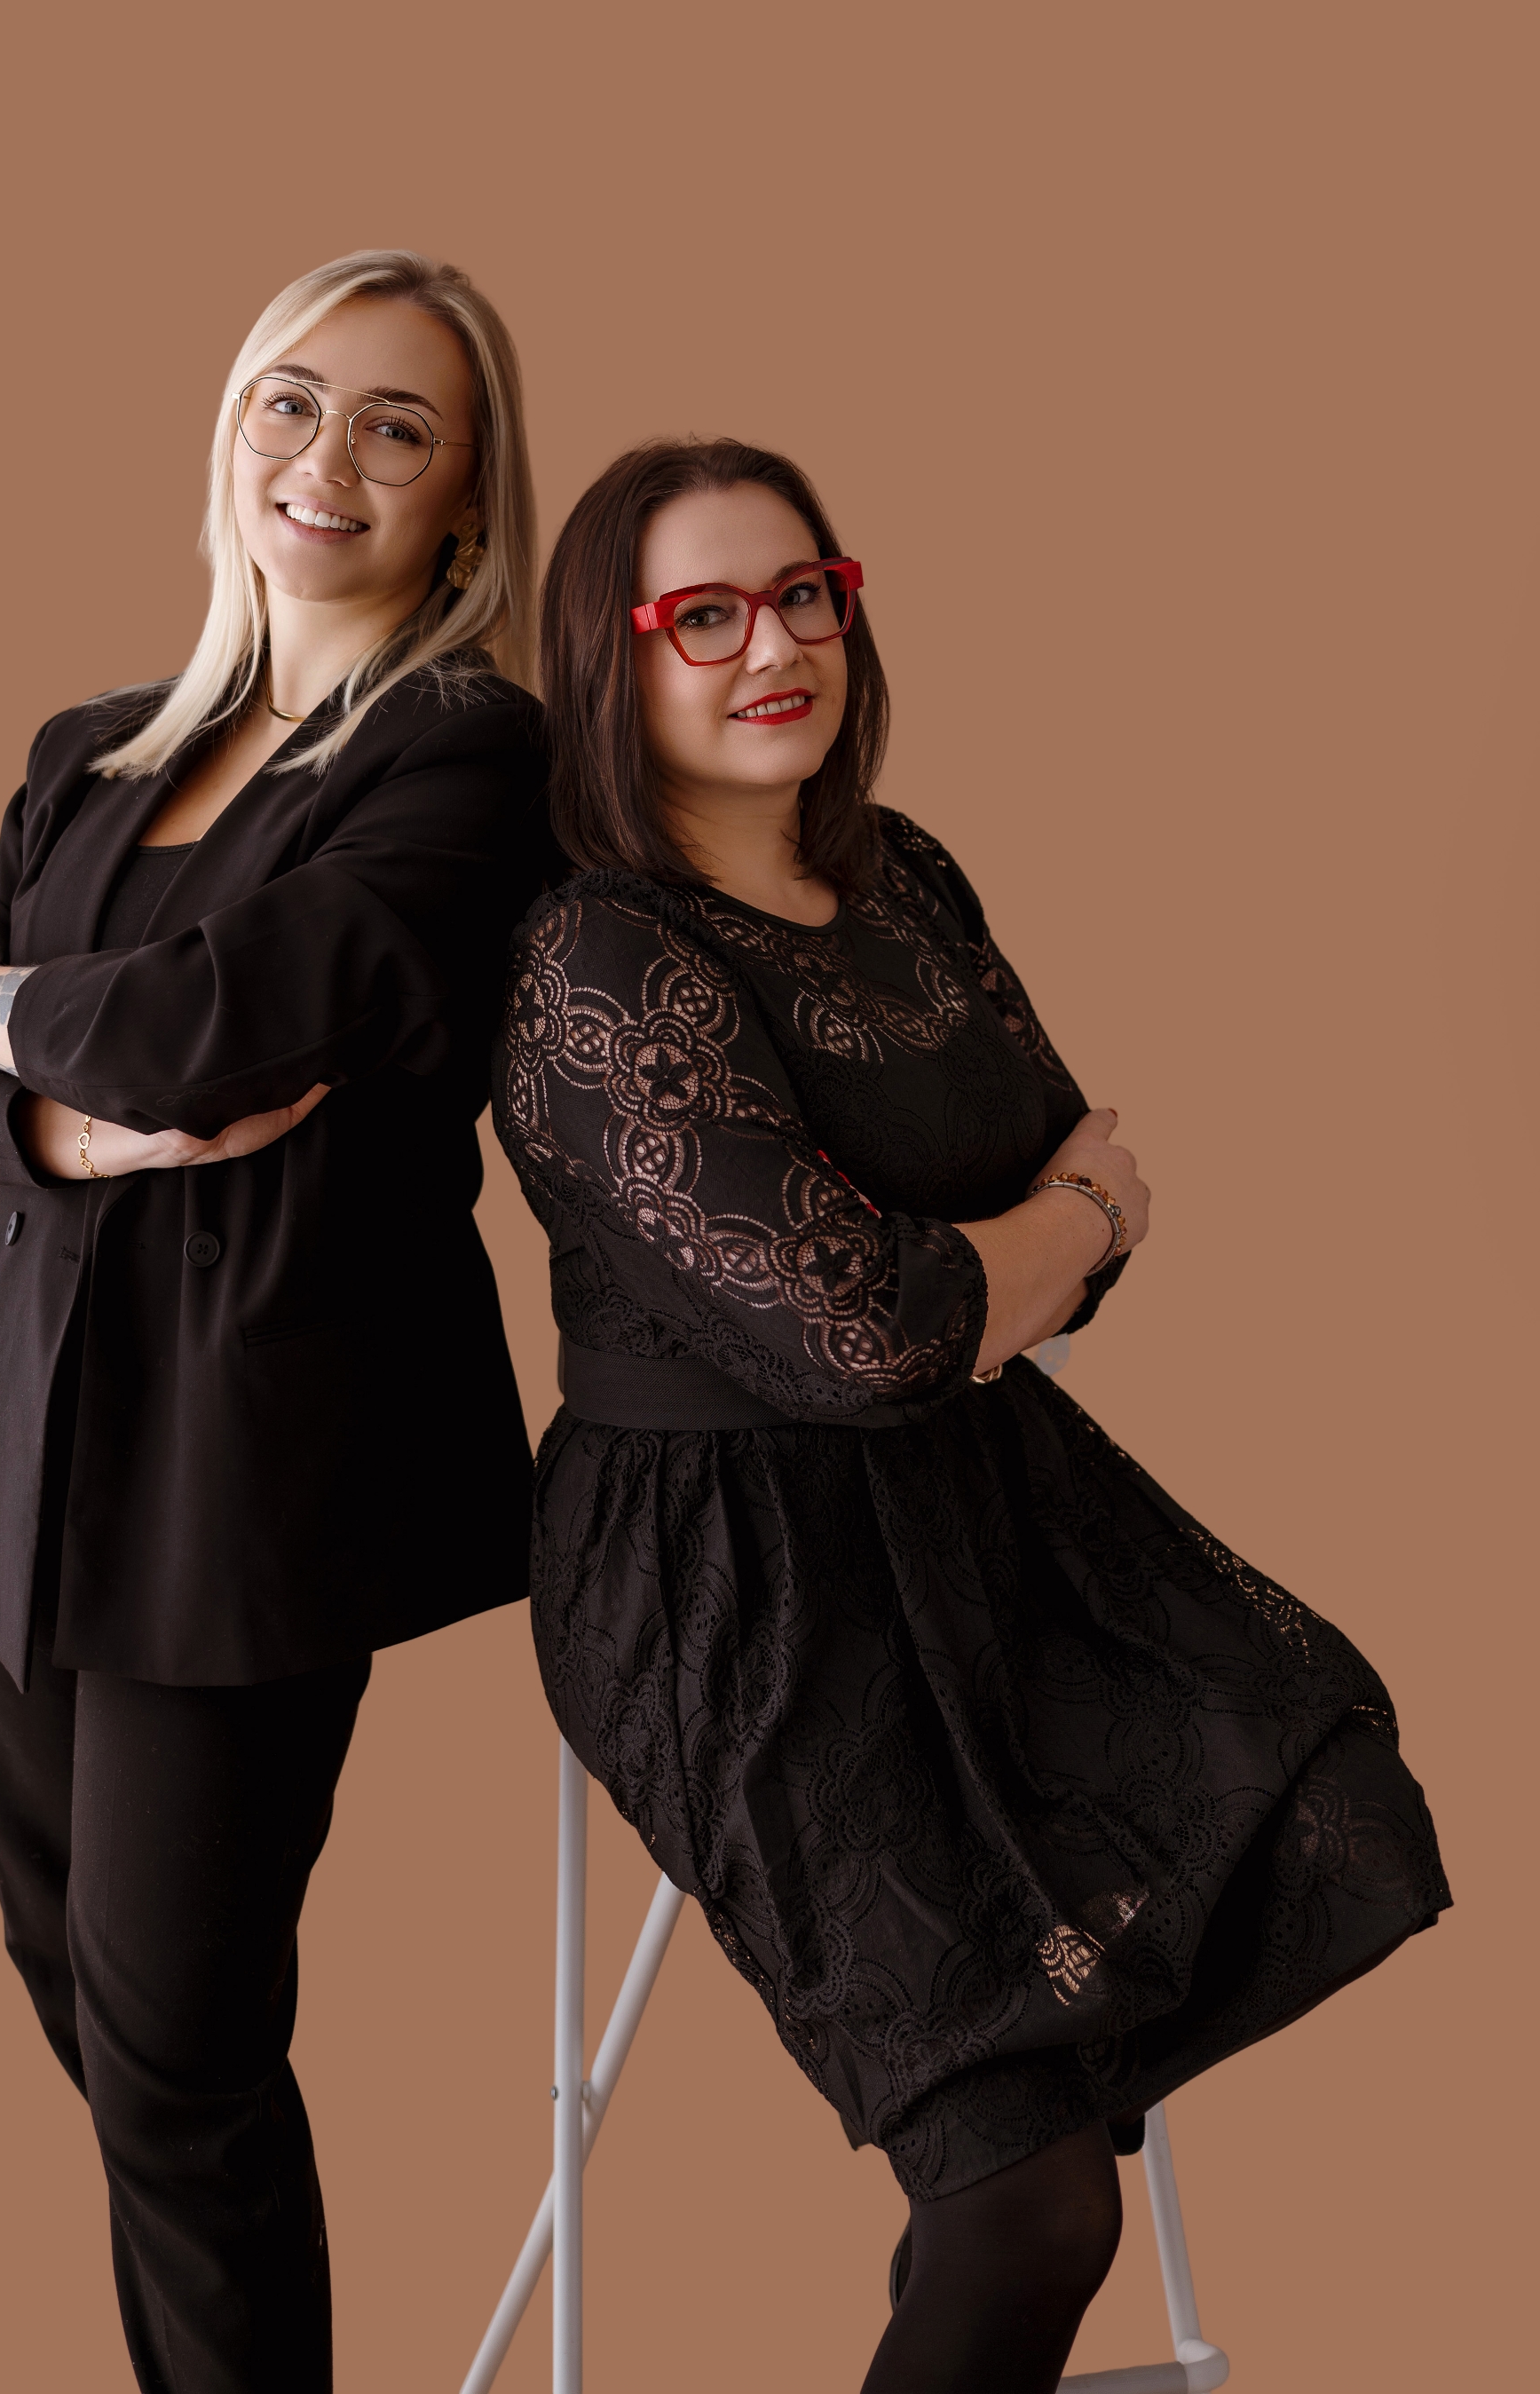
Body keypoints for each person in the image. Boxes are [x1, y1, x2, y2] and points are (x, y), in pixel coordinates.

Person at [494, 438, 1449, 2394]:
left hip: (987, 1491)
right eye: (704, 616)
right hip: (730, 1570)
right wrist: (1037, 1239)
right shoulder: (600, 951)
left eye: (805, 594)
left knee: (1326, 1798)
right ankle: (997, 2167)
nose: (777, 646)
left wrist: (1002, 1257)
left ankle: (1002, 2156)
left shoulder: (903, 871)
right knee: (1035, 2205)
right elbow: (888, 1316)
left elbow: (1064, 1189)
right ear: (613, 656)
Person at [0, 249, 549, 2392]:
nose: (328, 455)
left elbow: (199, 1028)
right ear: (233, 429)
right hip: (16, 1454)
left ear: (464, 495)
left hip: (240, 1483)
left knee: (176, 2037)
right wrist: (52, 1114)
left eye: (399, 424)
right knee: (68, 1980)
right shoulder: (91, 750)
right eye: (290, 400)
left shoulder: (465, 754)